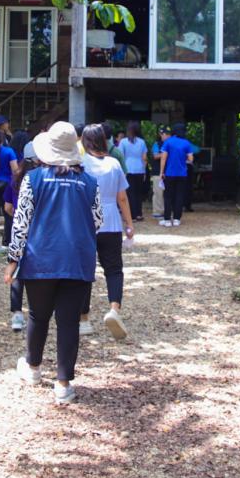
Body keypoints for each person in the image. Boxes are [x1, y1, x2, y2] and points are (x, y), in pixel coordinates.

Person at [4, 121, 102, 404]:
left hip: (40, 258)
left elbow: (21, 222)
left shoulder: (33, 179)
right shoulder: (89, 182)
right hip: (77, 259)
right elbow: (98, 220)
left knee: (38, 315)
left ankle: (33, 368)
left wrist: (13, 259)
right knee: (69, 321)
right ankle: (63, 384)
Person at [79, 124, 133, 340]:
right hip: (111, 221)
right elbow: (122, 198)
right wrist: (129, 224)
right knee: (114, 269)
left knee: (85, 270)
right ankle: (114, 310)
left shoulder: (81, 164)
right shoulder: (114, 163)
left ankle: (84, 319)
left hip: (86, 221)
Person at [3, 151, 37, 332]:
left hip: (18, 227)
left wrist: (17, 215)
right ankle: (38, 311)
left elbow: (7, 207)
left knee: (16, 269)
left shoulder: (15, 179)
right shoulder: (39, 180)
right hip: (39, 230)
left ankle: (17, 313)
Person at [159, 122, 194, 227]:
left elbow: (163, 158)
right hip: (182, 174)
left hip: (170, 173)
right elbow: (191, 159)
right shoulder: (186, 143)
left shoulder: (168, 142)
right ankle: (176, 219)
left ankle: (167, 220)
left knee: (168, 196)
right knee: (179, 196)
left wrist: (161, 172)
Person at [119, 121, 148, 222]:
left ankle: (132, 215)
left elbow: (121, 157)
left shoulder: (123, 142)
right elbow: (144, 158)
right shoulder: (142, 142)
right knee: (138, 192)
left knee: (130, 193)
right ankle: (139, 214)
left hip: (128, 169)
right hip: (139, 169)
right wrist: (144, 171)